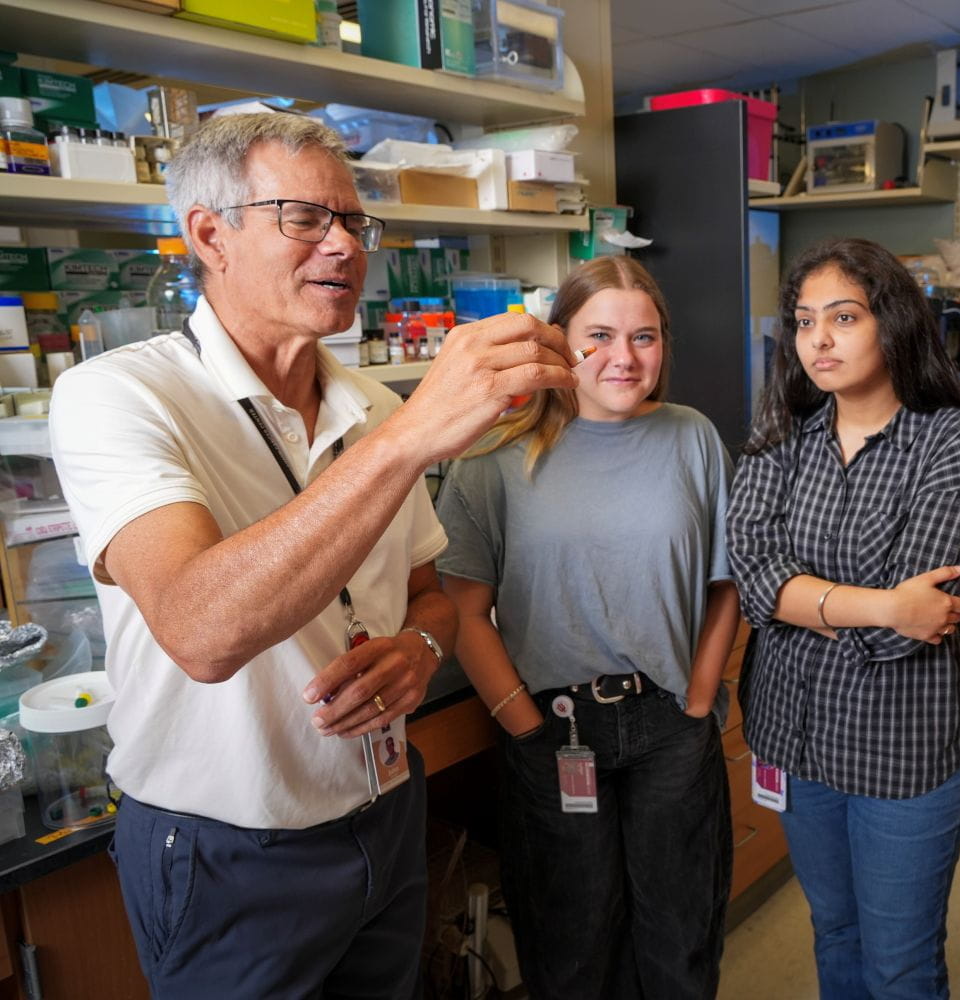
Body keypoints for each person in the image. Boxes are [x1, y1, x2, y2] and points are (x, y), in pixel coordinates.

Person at [47, 113, 576, 998]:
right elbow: (201, 628)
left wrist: (422, 649)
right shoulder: (116, 395)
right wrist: (411, 435)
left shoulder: (367, 402)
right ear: (209, 233)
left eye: (355, 223)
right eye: (305, 218)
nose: (344, 245)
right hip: (225, 851)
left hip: (382, 812)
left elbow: (427, 595)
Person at [435, 256, 738, 1000]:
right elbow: (463, 611)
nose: (624, 358)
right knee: (570, 952)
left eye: (645, 337)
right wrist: (525, 727)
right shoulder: (493, 456)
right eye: (599, 334)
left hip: (671, 726)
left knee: (682, 946)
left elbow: (726, 583)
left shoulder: (691, 438)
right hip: (555, 729)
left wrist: (700, 699)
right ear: (559, 340)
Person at [727, 237, 960, 999]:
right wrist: (883, 602)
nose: (818, 339)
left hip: (903, 751)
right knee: (833, 930)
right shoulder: (784, 436)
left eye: (843, 318)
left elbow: (912, 627)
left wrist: (804, 601)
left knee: (900, 961)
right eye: (806, 321)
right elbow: (752, 576)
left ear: (893, 323)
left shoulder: (951, 439)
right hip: (797, 736)